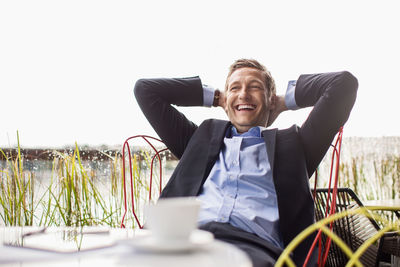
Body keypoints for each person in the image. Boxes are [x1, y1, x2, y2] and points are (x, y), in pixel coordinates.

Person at [134, 59, 358, 266]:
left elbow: (343, 85)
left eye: (254, 87)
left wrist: (282, 102)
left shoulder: (295, 145)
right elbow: (145, 90)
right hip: (184, 239)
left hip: (252, 248)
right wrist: (217, 98)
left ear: (270, 98)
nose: (243, 94)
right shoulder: (198, 139)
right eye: (235, 88)